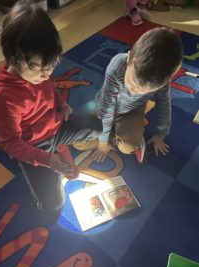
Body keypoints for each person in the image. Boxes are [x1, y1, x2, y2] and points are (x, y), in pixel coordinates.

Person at [0, 0, 102, 214]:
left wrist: (63, 104)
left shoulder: (39, 72)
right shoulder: (6, 98)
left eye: (52, 67)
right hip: (34, 146)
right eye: (41, 69)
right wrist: (47, 160)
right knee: (53, 204)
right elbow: (11, 144)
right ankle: (49, 155)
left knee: (97, 126)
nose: (46, 75)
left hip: (55, 127)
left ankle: (60, 148)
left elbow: (50, 90)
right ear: (13, 59)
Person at [73, 27, 183, 164]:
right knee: (78, 142)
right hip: (105, 107)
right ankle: (117, 135)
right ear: (129, 58)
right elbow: (105, 110)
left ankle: (121, 135)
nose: (134, 91)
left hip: (131, 112)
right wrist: (102, 143)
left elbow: (164, 104)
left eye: (143, 91)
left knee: (128, 148)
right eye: (132, 83)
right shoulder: (117, 66)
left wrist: (161, 133)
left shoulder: (162, 81)